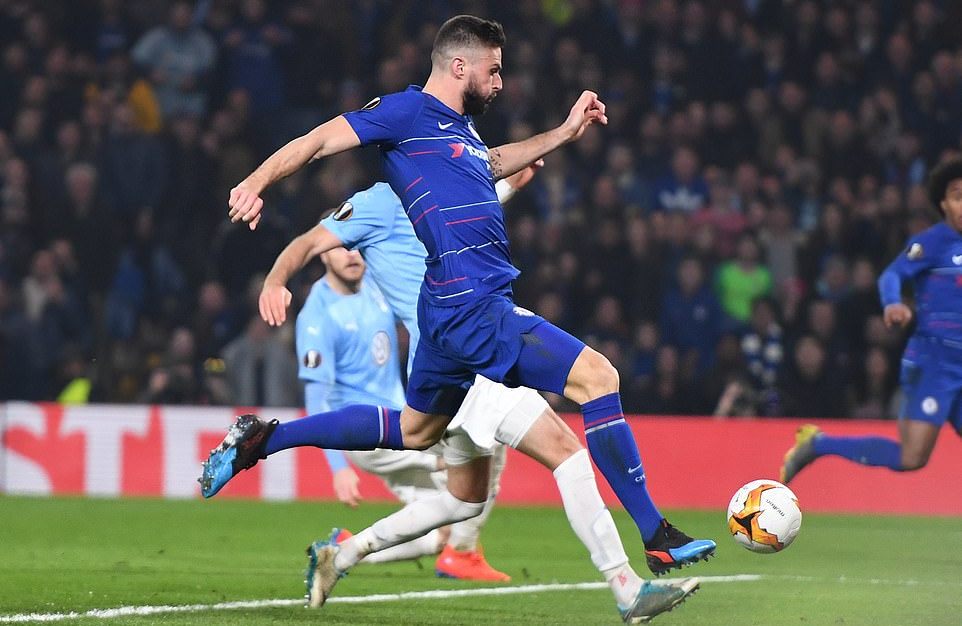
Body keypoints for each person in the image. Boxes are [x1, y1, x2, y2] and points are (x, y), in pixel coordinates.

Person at [206, 14, 707, 616]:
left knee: (419, 437)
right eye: (494, 70)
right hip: (473, 307)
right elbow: (316, 141)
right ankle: (651, 542)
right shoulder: (404, 113)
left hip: (444, 314)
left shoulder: (459, 133)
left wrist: (563, 133)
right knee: (598, 380)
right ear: (459, 65)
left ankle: (265, 441)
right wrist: (256, 181)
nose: (500, 81)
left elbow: (491, 162)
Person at [297, 243, 510, 581]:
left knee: (443, 524)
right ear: (323, 254)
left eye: (355, 247)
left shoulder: (375, 287)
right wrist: (338, 468)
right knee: (483, 442)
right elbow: (315, 397)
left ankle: (341, 551)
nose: (352, 255)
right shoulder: (317, 314)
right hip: (368, 432)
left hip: (402, 421)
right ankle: (463, 553)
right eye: (341, 249)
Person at [781, 157, 962, 483]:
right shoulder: (932, 243)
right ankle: (818, 444)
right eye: (958, 196)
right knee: (911, 457)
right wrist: (893, 304)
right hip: (935, 363)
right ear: (944, 204)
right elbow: (892, 275)